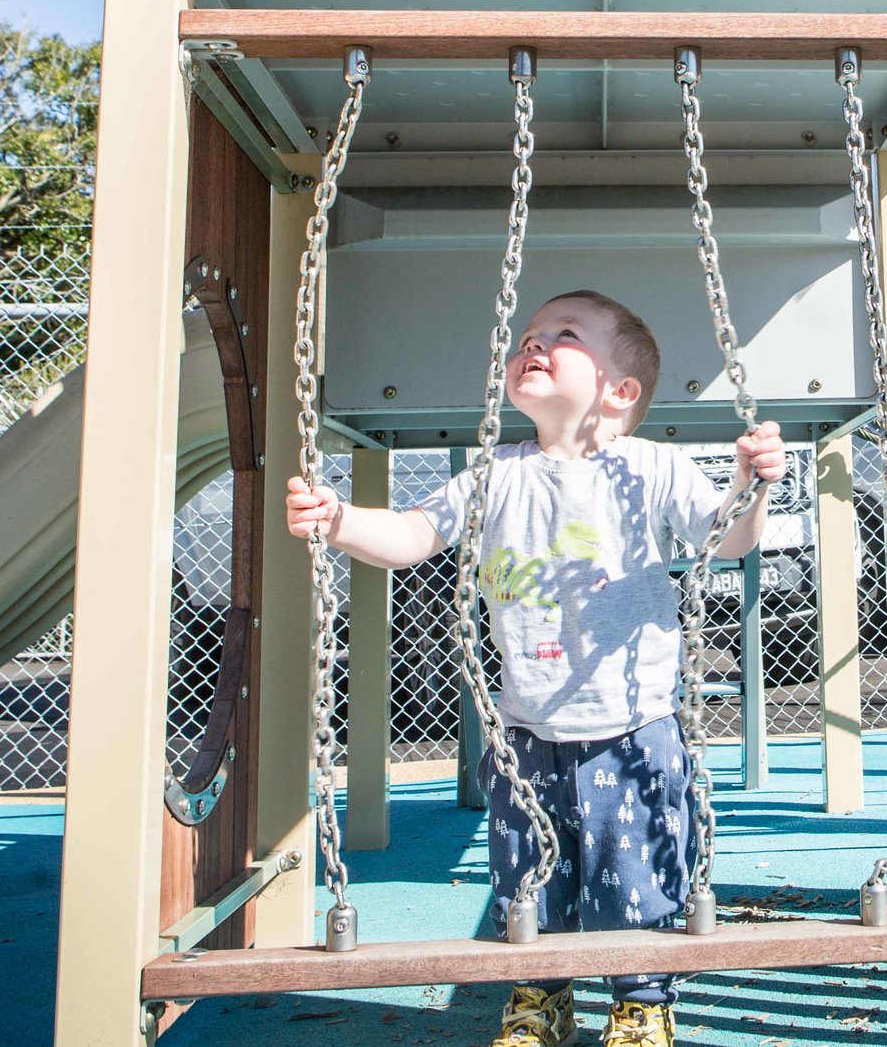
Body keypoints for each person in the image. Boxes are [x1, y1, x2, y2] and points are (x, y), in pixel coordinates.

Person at [287, 290, 781, 1047]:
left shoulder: (651, 466)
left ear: (619, 393)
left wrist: (754, 486)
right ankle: (539, 997)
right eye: (529, 334)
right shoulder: (497, 474)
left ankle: (641, 1003)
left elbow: (731, 537)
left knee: (636, 869)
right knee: (527, 873)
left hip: (633, 722)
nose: (535, 343)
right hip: (526, 725)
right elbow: (417, 532)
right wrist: (341, 519)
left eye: (565, 334)